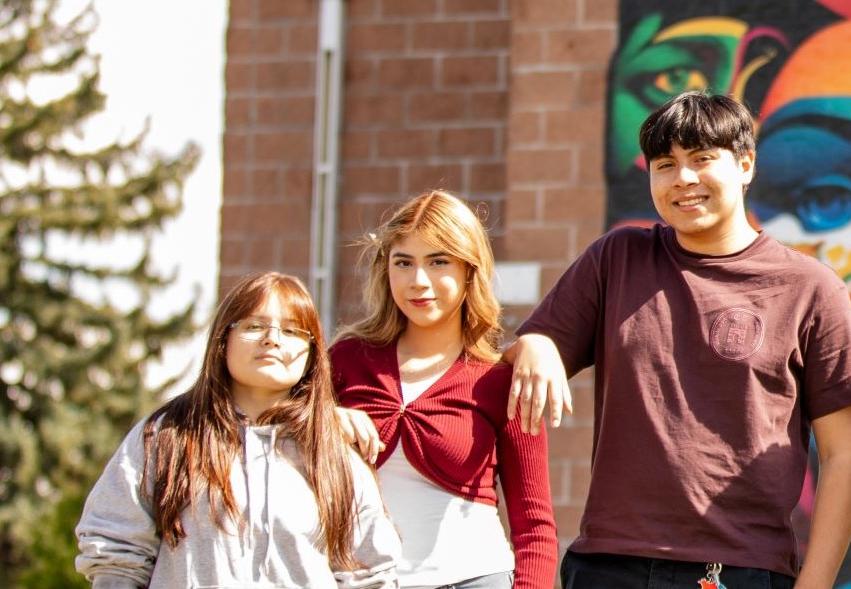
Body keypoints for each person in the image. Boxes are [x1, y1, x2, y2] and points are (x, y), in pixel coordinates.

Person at [504, 90, 851, 589]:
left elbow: (844, 452)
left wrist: (815, 584)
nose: (683, 179)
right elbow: (536, 347)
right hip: (608, 564)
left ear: (745, 165)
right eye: (665, 164)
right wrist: (535, 343)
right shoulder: (617, 258)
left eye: (702, 159)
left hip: (737, 569)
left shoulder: (809, 287)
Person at [75, 272, 402, 588]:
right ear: (223, 340)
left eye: (292, 331)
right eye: (254, 325)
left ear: (312, 354)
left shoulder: (333, 453)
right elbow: (117, 553)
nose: (272, 339)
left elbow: (369, 574)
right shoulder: (166, 436)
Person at [331, 190, 556, 589]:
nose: (419, 281)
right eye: (404, 263)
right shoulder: (345, 361)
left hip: (474, 578)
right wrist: (324, 417)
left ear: (470, 271)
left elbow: (535, 528)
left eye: (438, 262)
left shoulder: (501, 381)